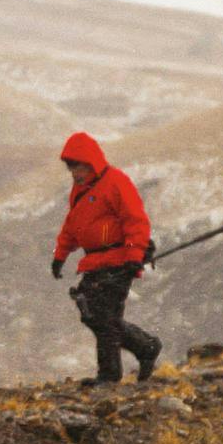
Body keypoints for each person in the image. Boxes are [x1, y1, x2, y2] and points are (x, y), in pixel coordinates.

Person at [50, 132, 161, 385]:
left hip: (119, 259)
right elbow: (73, 225)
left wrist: (133, 255)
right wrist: (60, 255)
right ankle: (145, 348)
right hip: (96, 262)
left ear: (89, 161)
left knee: (102, 316)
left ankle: (110, 375)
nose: (73, 173)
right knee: (94, 314)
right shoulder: (80, 190)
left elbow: (136, 220)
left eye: (76, 166)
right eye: (70, 168)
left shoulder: (116, 182)